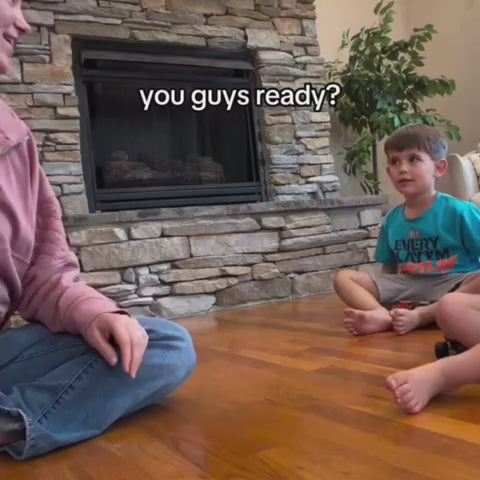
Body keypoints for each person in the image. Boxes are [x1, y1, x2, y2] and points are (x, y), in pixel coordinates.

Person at [0, 0, 196, 461]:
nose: (23, 23)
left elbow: (44, 273)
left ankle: (14, 421)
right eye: (10, 2)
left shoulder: (16, 140)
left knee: (165, 345)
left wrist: (96, 314)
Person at [333, 123, 480, 336]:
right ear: (389, 172)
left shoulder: (461, 211)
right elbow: (389, 270)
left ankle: (422, 315)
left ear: (438, 168)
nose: (402, 168)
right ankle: (381, 315)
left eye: (413, 159)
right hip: (410, 285)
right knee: (344, 278)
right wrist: (384, 295)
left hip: (455, 283)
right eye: (395, 161)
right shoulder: (391, 219)